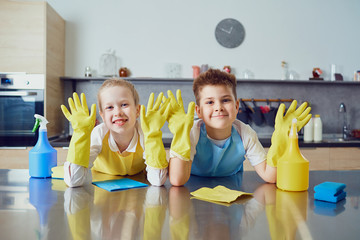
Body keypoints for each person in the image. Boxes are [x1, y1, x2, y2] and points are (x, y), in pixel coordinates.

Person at [167, 69, 311, 186]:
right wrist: (180, 136)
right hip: (192, 193)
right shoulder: (191, 132)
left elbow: (270, 176)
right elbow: (177, 180)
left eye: (225, 100)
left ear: (236, 107)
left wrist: (281, 141)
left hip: (232, 192)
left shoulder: (245, 133)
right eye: (210, 102)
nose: (218, 107)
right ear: (198, 112)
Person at [60, 78, 169, 187]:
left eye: (124, 105)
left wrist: (153, 135)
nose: (118, 112)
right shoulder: (99, 133)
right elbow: (73, 181)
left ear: (137, 110)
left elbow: (157, 181)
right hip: (100, 191)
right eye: (110, 107)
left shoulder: (146, 134)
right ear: (102, 115)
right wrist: (80, 132)